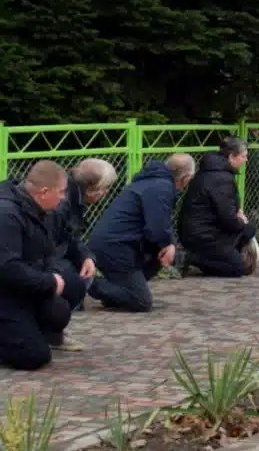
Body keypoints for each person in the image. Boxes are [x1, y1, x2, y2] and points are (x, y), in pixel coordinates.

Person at [87, 154, 194, 312]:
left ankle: (118, 293)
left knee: (159, 255)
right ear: (186, 178)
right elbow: (157, 224)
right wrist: (168, 244)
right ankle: (87, 283)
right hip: (116, 247)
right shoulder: (162, 187)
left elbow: (160, 222)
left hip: (116, 244)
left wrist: (167, 244)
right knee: (141, 302)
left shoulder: (150, 181)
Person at [0, 161, 81, 370]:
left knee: (63, 302)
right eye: (61, 192)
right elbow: (7, 267)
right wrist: (49, 281)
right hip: (6, 290)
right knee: (34, 356)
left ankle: (27, 328)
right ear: (44, 192)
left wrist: (53, 276)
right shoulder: (7, 214)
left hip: (20, 286)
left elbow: (50, 251)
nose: (64, 197)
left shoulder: (41, 210)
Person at [179, 137, 259, 277]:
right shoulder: (221, 178)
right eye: (244, 156)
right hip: (203, 235)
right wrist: (242, 221)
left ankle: (207, 258)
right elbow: (227, 219)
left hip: (199, 231)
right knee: (237, 267)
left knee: (248, 229)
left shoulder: (212, 172)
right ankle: (189, 257)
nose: (246, 160)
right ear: (232, 157)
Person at [55, 159, 116, 323]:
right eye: (104, 188)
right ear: (92, 189)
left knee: (83, 267)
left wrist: (86, 257)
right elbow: (56, 245)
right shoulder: (63, 202)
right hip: (46, 258)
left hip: (54, 253)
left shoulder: (74, 197)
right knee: (74, 280)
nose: (106, 193)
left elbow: (71, 237)